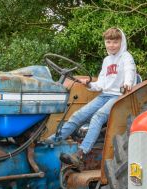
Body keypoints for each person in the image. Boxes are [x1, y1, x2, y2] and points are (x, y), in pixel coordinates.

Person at [48, 28, 137, 166]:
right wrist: (89, 84)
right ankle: (52, 141)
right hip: (105, 95)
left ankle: (81, 153)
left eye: (115, 42)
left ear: (122, 42)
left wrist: (128, 82)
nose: (111, 45)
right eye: (108, 42)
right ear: (105, 43)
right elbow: (101, 84)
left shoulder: (126, 57)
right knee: (78, 116)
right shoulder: (107, 60)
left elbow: (129, 71)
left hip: (120, 96)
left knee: (98, 117)